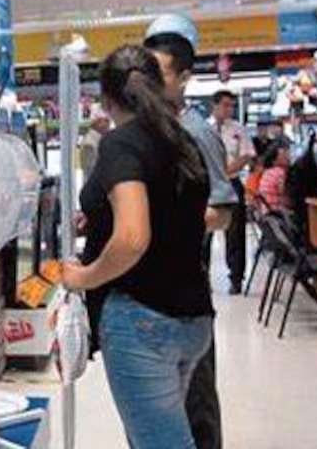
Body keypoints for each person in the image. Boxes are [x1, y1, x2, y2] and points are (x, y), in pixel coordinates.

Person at [62, 45, 212, 448]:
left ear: (106, 99)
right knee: (158, 435)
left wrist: (83, 277)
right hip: (192, 317)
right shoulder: (182, 141)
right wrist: (100, 219)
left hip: (143, 320)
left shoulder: (121, 144)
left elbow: (132, 238)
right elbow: (176, 215)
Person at [144, 14, 237, 449]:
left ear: (184, 77)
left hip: (185, 296)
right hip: (147, 298)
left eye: (159, 74)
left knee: (195, 405)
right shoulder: (146, 131)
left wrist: (167, 221)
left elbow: (222, 213)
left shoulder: (197, 134)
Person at [209, 90, 256, 294]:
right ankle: (202, 276)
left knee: (235, 231)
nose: (229, 109)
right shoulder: (204, 128)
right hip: (209, 183)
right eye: (225, 105)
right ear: (215, 105)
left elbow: (246, 155)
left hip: (231, 181)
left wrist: (226, 171)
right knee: (204, 230)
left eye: (232, 106)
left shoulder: (238, 129)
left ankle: (236, 278)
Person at [259, 141, 291, 211]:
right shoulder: (280, 173)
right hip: (277, 211)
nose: (288, 158)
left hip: (265, 210)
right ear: (274, 161)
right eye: (283, 156)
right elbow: (284, 192)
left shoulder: (267, 172)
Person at [80, 103, 111, 177]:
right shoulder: (89, 144)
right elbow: (91, 172)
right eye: (106, 121)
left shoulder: (102, 139)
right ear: (96, 122)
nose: (108, 125)